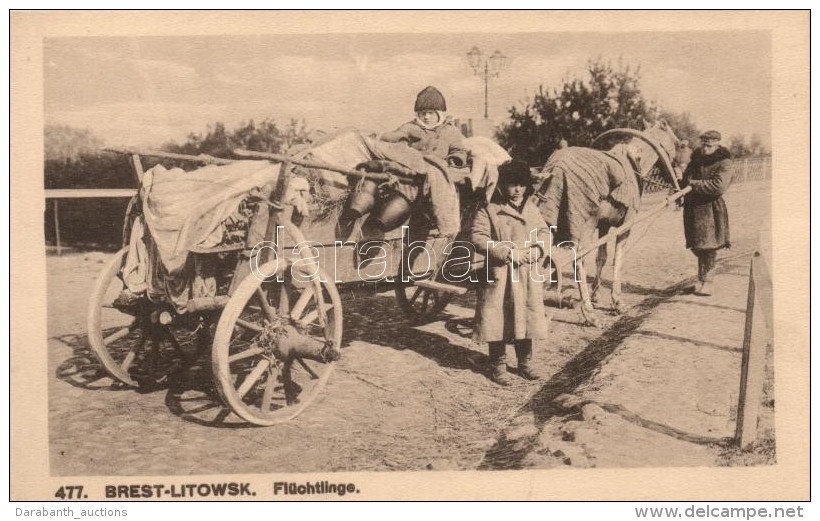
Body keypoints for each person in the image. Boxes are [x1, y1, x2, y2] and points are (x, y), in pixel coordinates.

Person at [470, 160, 550, 386]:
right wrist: (505, 252)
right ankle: (498, 365)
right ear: (502, 186)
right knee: (498, 319)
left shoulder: (531, 209)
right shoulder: (489, 210)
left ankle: (525, 363)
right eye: (512, 185)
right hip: (501, 273)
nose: (517, 191)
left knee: (526, 316)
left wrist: (537, 249)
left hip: (525, 273)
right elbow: (478, 237)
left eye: (522, 185)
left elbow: (544, 232)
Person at [681, 130, 733, 296]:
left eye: (710, 144)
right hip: (693, 209)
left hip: (711, 209)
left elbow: (718, 186)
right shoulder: (696, 160)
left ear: (717, 144)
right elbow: (685, 179)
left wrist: (694, 184)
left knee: (709, 247)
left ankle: (708, 282)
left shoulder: (724, 162)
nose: (706, 147)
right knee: (698, 247)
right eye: (703, 144)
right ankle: (700, 280)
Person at [380, 85, 466, 158]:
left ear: (439, 115)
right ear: (418, 114)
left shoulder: (450, 130)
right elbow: (394, 136)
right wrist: (382, 137)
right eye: (423, 113)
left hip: (441, 166)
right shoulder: (410, 127)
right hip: (416, 165)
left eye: (431, 113)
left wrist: (455, 159)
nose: (426, 117)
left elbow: (458, 150)